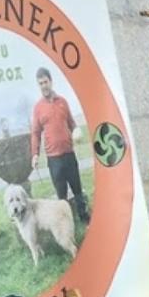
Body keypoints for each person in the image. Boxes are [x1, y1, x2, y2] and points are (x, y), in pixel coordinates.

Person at [30, 68, 90, 223]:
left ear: (51, 81)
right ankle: (66, 222)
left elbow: (72, 123)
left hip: (69, 154)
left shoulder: (62, 102)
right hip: (53, 159)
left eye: (45, 82)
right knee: (61, 195)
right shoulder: (38, 108)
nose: (43, 86)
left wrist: (76, 131)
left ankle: (84, 216)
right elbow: (35, 133)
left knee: (77, 188)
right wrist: (35, 154)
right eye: (40, 83)